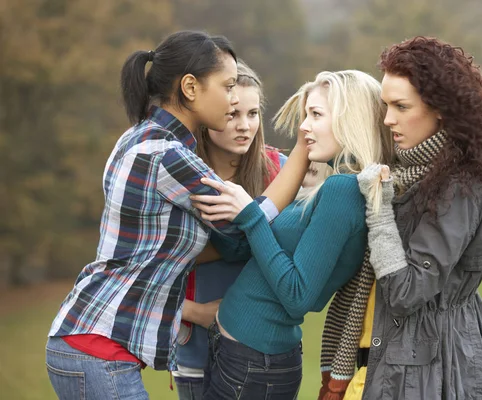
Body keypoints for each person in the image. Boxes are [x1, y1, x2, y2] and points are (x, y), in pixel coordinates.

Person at [45, 31, 309, 400]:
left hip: (88, 342)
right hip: (97, 350)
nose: (234, 99)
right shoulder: (167, 155)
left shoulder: (138, 137)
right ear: (190, 87)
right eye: (228, 86)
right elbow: (246, 224)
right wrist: (302, 153)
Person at [320, 36, 482, 400]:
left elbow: (405, 291)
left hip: (428, 376)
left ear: (441, 108)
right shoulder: (404, 169)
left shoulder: (460, 186)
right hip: (383, 365)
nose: (388, 119)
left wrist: (378, 209)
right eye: (385, 105)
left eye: (401, 106)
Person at [191, 70, 395, 399]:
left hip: (254, 364)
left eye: (315, 115)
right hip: (246, 356)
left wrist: (250, 215)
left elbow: (300, 295)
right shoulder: (337, 184)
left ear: (349, 118)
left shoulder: (343, 190)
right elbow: (265, 252)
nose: (304, 127)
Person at [172, 60, 288, 400]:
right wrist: (195, 312)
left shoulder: (279, 171)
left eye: (253, 114)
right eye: (233, 114)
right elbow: (150, 265)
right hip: (197, 345)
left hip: (266, 348)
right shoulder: (181, 174)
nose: (244, 126)